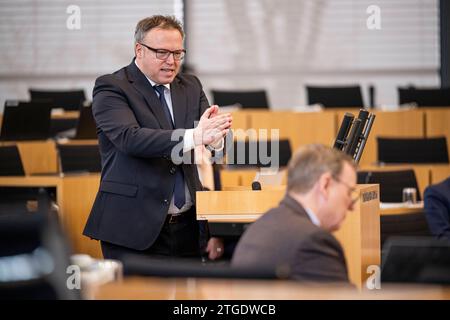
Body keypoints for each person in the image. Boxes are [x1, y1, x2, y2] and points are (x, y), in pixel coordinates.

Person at [83, 15, 232, 261]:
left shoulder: (191, 85)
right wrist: (196, 136)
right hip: (132, 226)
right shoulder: (112, 87)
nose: (171, 61)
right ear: (139, 50)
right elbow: (130, 139)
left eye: (177, 53)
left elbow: (212, 138)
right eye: (162, 52)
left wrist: (215, 140)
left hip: (188, 225)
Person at [231, 144, 357, 282]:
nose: (352, 206)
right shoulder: (314, 242)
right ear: (325, 185)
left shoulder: (259, 226)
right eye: (349, 192)